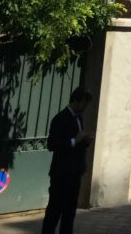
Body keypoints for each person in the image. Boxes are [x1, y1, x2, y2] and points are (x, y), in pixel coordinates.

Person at [41, 87, 94, 234]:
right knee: (54, 211)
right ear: (76, 101)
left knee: (70, 213)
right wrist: (74, 140)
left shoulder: (79, 118)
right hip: (61, 174)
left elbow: (77, 144)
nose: (85, 108)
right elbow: (52, 144)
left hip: (75, 173)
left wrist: (85, 141)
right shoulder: (60, 119)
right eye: (84, 103)